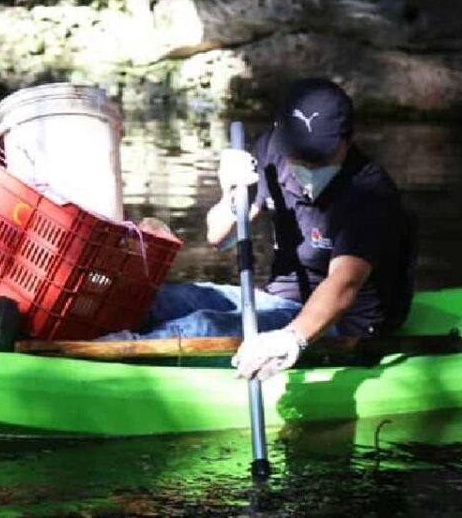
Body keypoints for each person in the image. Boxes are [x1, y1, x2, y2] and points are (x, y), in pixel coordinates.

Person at [105, 77, 417, 382]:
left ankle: (106, 362)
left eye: (319, 160)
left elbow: (343, 285)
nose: (307, 169)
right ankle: (92, 335)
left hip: (341, 323)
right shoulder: (271, 152)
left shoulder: (370, 193)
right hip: (279, 299)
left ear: (347, 143)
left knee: (203, 326)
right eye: (299, 157)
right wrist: (231, 194)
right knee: (158, 300)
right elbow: (220, 238)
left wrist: (291, 339)